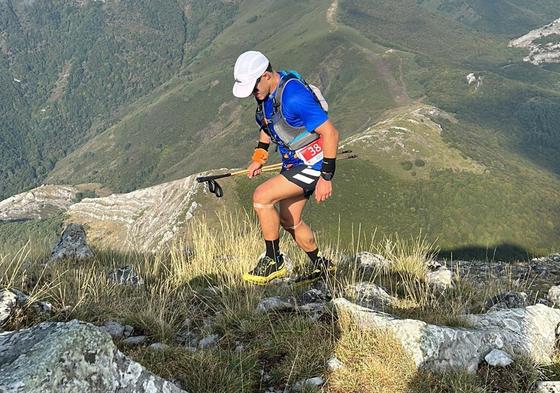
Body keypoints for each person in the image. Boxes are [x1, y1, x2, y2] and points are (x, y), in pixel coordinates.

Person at [232, 50, 340, 285]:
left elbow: (330, 133)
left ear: (267, 75)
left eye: (254, 87)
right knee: (290, 221)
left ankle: (273, 260)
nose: (253, 93)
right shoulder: (265, 98)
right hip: (293, 163)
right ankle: (322, 266)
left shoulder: (294, 97)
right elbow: (267, 125)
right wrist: (259, 157)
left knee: (261, 197)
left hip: (313, 163)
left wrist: (326, 177)